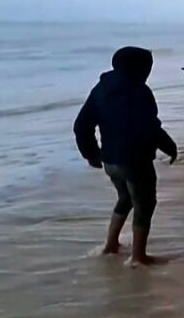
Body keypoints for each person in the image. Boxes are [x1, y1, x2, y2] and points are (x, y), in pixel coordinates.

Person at [74, 47, 178, 266]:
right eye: (147, 67)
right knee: (145, 204)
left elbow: (82, 124)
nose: (148, 71)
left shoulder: (101, 88)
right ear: (139, 68)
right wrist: (170, 146)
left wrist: (91, 154)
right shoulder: (140, 91)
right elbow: (150, 127)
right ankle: (138, 257)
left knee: (126, 198)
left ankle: (111, 245)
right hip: (135, 160)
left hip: (110, 160)